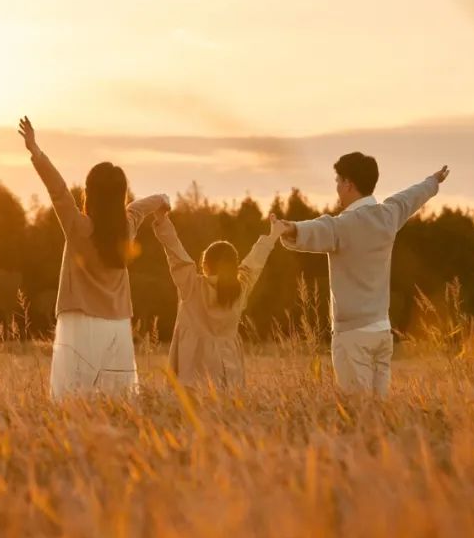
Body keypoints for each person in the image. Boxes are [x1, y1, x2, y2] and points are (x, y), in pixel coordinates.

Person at [18, 116, 168, 399]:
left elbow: (58, 190)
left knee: (75, 395)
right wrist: (162, 198)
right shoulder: (128, 227)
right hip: (116, 322)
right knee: (116, 397)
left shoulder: (78, 228)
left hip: (79, 320)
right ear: (121, 196)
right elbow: (139, 208)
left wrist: (35, 151)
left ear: (89, 194)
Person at [277, 152, 450, 397]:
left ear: (349, 184)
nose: (337, 188)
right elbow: (411, 197)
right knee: (378, 413)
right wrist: (433, 181)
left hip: (352, 336)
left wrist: (288, 228)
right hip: (381, 331)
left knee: (356, 412)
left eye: (338, 181)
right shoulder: (388, 215)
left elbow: (314, 230)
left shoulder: (342, 226)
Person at [153, 205, 290, 389]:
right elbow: (254, 263)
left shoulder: (192, 286)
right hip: (229, 366)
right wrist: (273, 236)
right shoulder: (240, 289)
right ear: (234, 267)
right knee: (226, 415)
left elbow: (176, 253)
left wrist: (162, 221)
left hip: (194, 369)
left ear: (205, 266)